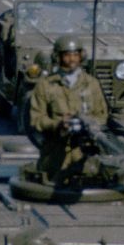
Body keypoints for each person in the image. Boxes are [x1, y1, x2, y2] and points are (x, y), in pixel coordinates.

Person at [27, 35, 110, 182]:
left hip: (85, 156)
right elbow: (36, 119)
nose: (72, 60)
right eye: (66, 55)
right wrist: (58, 124)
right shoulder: (46, 86)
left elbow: (102, 115)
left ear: (81, 56)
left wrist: (89, 124)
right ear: (57, 57)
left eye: (75, 55)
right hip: (55, 155)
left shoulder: (91, 84)